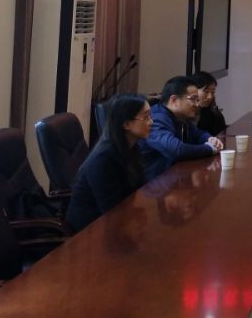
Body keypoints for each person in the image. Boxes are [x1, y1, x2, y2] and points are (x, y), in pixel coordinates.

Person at [66, 93, 150, 232]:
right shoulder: (103, 159)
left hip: (118, 221)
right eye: (146, 118)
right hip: (89, 230)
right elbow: (112, 210)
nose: (151, 122)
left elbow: (140, 187)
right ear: (126, 124)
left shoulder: (132, 147)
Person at [139, 76, 224, 180]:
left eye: (197, 100)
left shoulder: (179, 116)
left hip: (173, 175)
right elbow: (176, 149)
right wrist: (209, 149)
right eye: (193, 99)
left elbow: (197, 133)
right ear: (174, 100)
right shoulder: (156, 118)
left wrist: (209, 139)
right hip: (154, 182)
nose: (197, 104)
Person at [193, 71, 227, 137]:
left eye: (213, 92)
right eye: (206, 91)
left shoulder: (215, 114)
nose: (210, 97)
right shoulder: (184, 115)